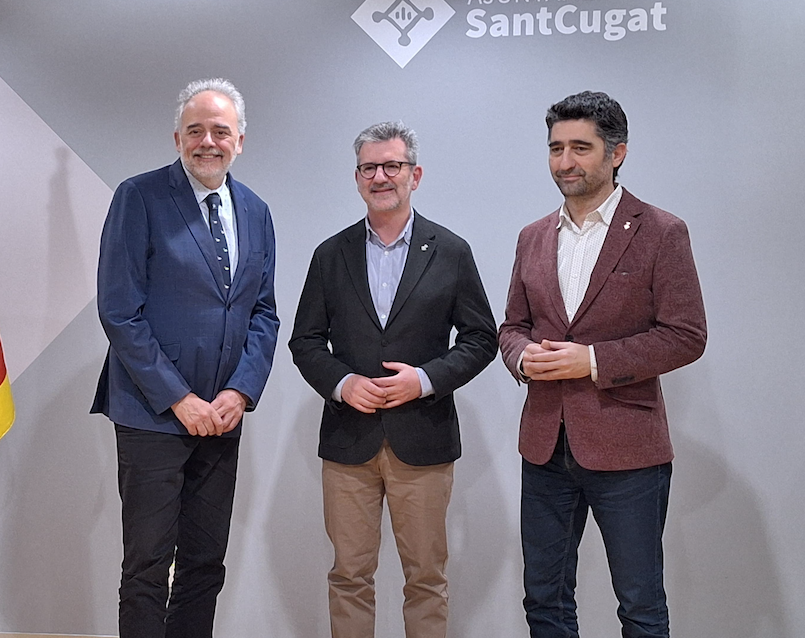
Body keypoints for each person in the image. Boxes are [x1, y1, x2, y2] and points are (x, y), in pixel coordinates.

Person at [498, 91, 707, 638]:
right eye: (555, 148)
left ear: (617, 153)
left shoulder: (662, 231)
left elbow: (686, 335)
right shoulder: (532, 236)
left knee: (640, 608)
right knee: (544, 601)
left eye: (580, 148)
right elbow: (512, 327)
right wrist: (523, 359)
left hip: (628, 450)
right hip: (544, 447)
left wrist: (590, 360)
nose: (565, 161)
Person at [290, 121, 497, 637]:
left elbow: (481, 338)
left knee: (426, 578)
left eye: (392, 166)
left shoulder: (451, 251)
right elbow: (305, 341)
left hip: (423, 439)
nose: (380, 176)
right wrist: (343, 384)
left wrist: (424, 380)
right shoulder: (330, 254)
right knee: (348, 576)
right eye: (369, 168)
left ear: (414, 175)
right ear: (357, 177)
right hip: (349, 441)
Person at [91, 78, 279, 638]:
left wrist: (239, 392)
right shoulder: (139, 197)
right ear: (177, 138)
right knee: (147, 565)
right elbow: (119, 310)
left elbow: (263, 313)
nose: (207, 142)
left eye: (220, 131)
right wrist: (180, 399)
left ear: (240, 141)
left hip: (221, 417)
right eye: (195, 131)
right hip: (152, 415)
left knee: (204, 562)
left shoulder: (256, 211)